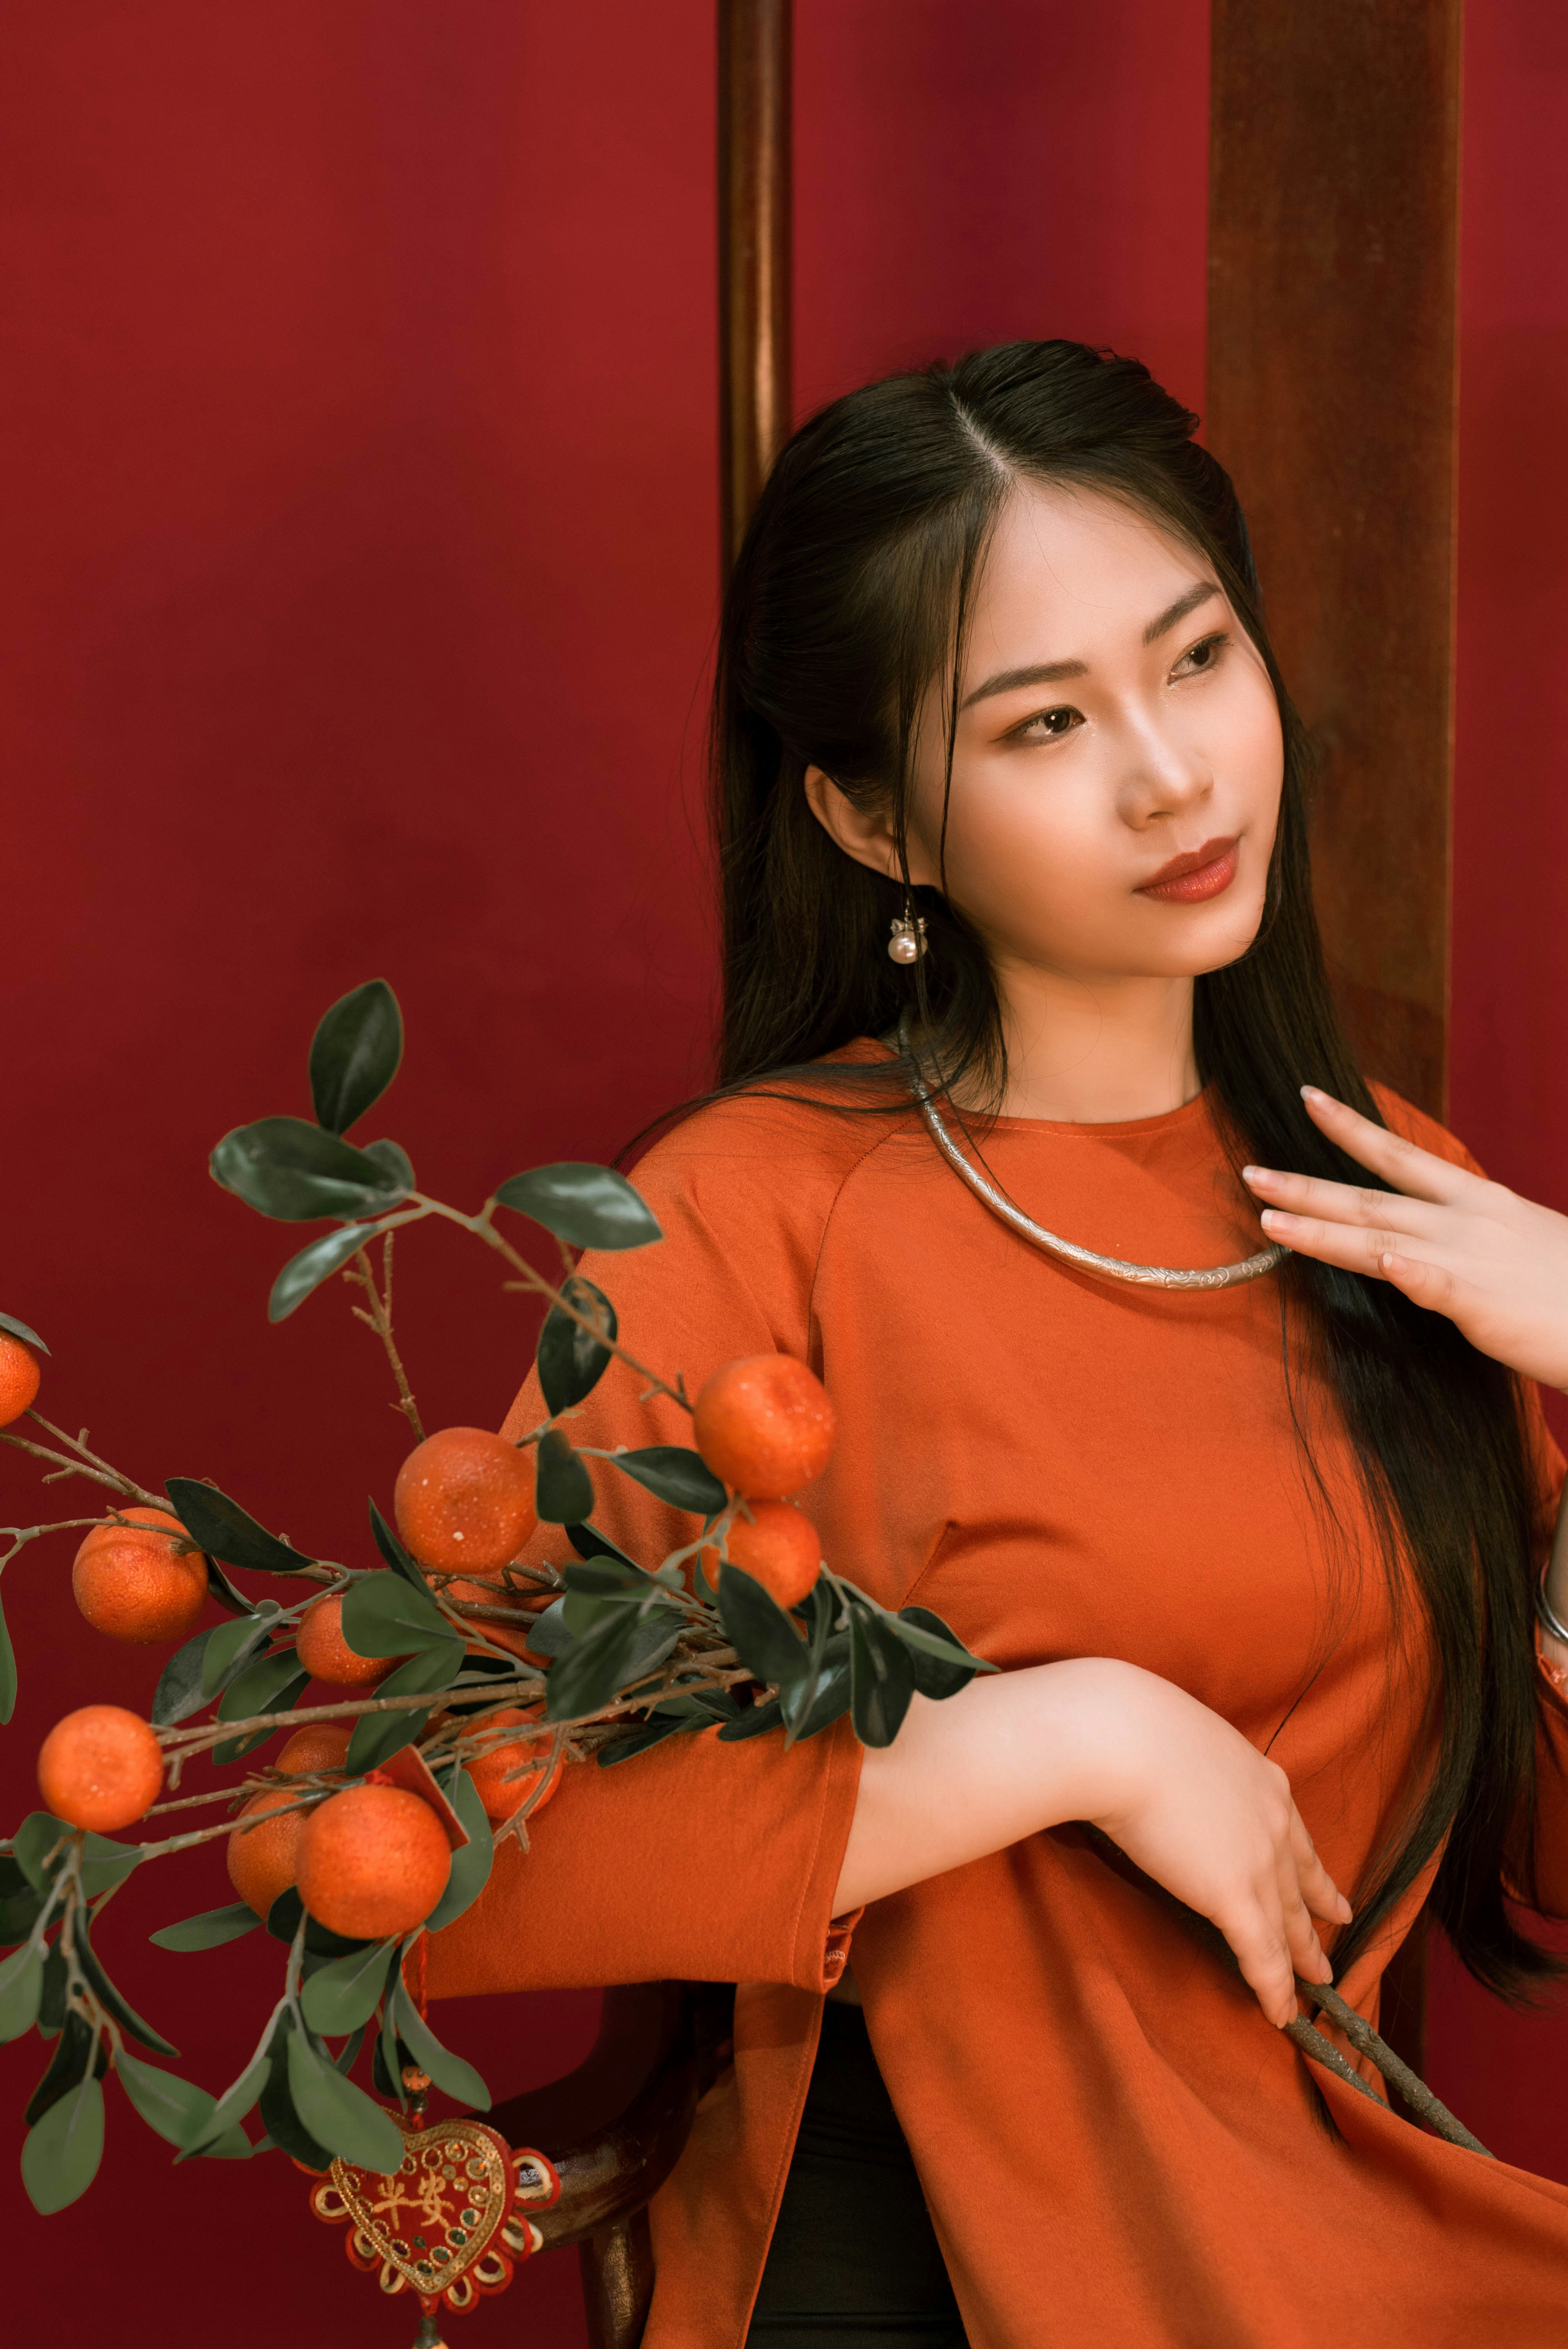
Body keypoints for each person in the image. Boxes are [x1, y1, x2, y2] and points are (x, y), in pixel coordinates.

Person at [428, 340, 1568, 2345]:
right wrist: (1063, 1738)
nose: (1171, 771)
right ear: (875, 825)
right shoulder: (749, 1207)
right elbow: (447, 1850)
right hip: (908, 2280)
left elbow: (1518, 1824)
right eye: (1043, 722)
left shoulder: (1396, 1194)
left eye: (1196, 657)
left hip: (1325, 2247)